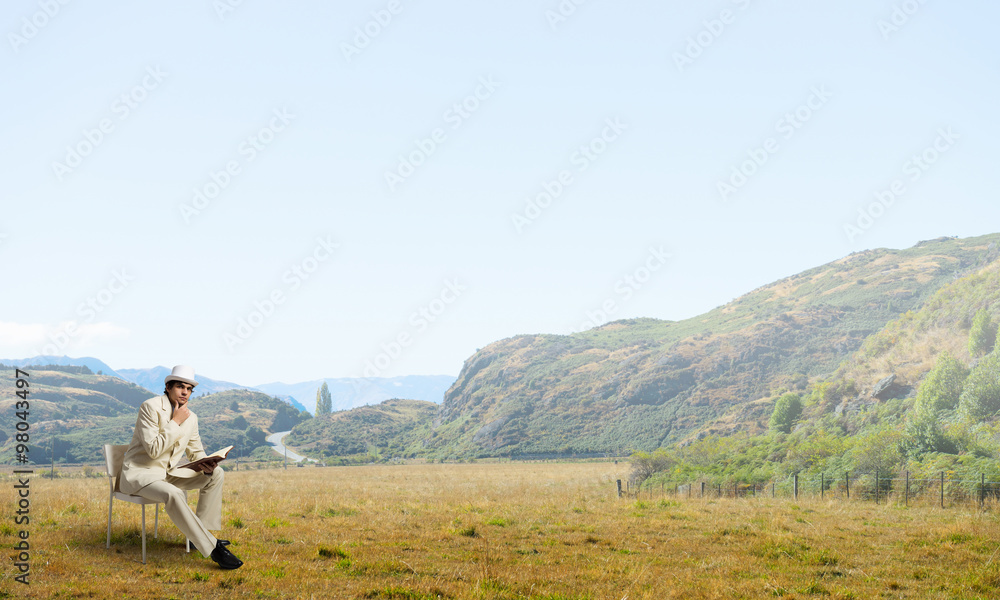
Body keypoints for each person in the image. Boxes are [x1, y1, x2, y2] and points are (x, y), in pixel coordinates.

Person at [119, 365, 243, 569]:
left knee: (217, 474)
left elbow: (196, 452)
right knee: (174, 493)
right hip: (140, 476)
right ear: (168, 387)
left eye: (189, 388)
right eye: (180, 386)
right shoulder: (149, 407)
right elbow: (153, 450)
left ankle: (200, 535)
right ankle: (213, 549)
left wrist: (208, 463)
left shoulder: (191, 418)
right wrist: (175, 422)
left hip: (167, 475)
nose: (185, 392)